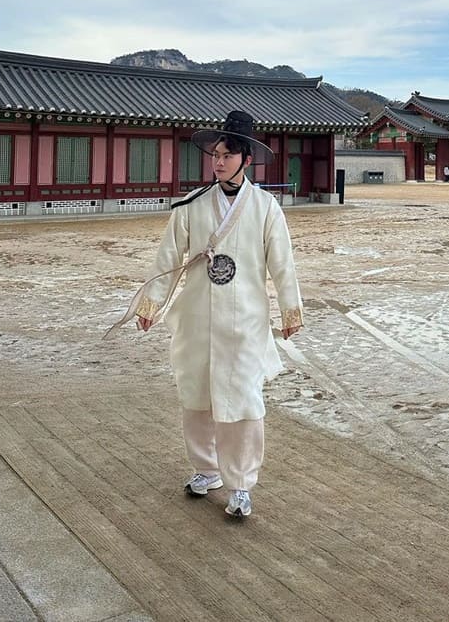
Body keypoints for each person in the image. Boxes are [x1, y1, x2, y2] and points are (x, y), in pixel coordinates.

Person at [106, 110, 303, 521]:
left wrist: (290, 309)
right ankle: (206, 469)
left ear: (246, 160)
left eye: (227, 155)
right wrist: (150, 305)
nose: (218, 162)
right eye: (214, 155)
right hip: (197, 316)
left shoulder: (266, 208)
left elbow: (282, 264)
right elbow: (168, 259)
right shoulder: (190, 206)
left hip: (245, 322)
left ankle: (242, 484)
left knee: (243, 401)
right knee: (196, 396)